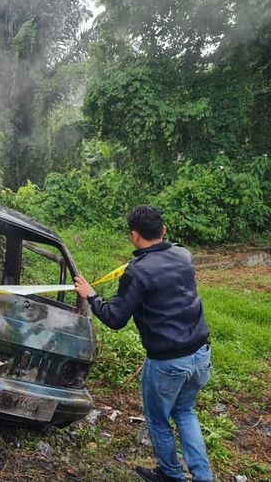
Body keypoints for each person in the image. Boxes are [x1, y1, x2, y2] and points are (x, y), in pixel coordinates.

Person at [74, 205, 213, 482]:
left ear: (134, 237)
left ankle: (171, 476)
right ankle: (203, 477)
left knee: (159, 421)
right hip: (200, 354)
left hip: (167, 363)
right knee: (185, 412)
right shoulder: (184, 255)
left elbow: (115, 318)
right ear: (163, 230)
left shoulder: (137, 272)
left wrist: (92, 296)